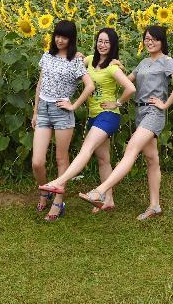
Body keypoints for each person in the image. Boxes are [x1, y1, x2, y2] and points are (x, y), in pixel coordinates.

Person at [79, 25, 173, 220]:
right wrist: (114, 65)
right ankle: (155, 206)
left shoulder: (167, 61)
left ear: (162, 42)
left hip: (154, 112)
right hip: (140, 111)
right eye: (147, 38)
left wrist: (165, 104)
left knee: (131, 149)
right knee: (152, 159)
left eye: (154, 39)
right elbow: (125, 80)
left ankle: (100, 191)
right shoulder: (143, 62)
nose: (150, 42)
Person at [37, 27, 136, 212]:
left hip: (108, 116)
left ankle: (59, 181)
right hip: (94, 116)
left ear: (113, 45)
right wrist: (78, 55)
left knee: (87, 148)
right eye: (100, 41)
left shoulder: (113, 67)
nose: (103, 45)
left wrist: (117, 103)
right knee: (103, 160)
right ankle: (108, 200)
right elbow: (77, 61)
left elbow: (130, 88)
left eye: (107, 42)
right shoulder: (90, 60)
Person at [32, 19, 95, 221]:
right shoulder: (46, 56)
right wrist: (35, 112)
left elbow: (90, 86)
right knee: (37, 162)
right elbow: (40, 85)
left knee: (61, 159)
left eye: (65, 36)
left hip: (62, 112)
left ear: (71, 39)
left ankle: (58, 203)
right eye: (58, 35)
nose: (60, 40)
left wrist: (74, 105)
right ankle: (44, 192)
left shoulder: (75, 60)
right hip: (43, 109)